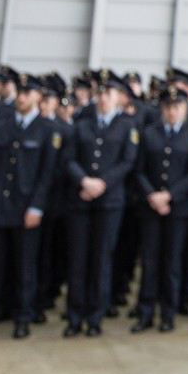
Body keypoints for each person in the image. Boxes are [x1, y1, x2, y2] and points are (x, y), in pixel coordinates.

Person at [0, 77, 61, 340]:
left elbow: (46, 174)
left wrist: (37, 207)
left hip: (25, 208)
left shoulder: (46, 130)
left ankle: (23, 315)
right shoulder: (1, 128)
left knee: (25, 267)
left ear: (38, 98)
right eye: (20, 92)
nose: (21, 97)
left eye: (28, 93)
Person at [60, 70, 138, 337]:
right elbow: (68, 158)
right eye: (101, 93)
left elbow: (128, 161)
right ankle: (74, 315)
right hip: (80, 200)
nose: (104, 98)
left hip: (110, 201)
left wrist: (101, 183)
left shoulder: (127, 126)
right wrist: (84, 181)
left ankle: (95, 316)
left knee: (101, 259)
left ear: (119, 98)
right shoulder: (81, 123)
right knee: (78, 260)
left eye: (109, 94)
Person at [130, 84, 188, 333]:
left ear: (185, 109)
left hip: (178, 208)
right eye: (168, 107)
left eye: (177, 107)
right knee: (150, 262)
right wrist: (152, 195)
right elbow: (139, 169)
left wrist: (170, 196)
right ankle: (145, 312)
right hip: (150, 207)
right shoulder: (149, 133)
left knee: (172, 262)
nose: (172, 112)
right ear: (162, 109)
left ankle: (168, 314)